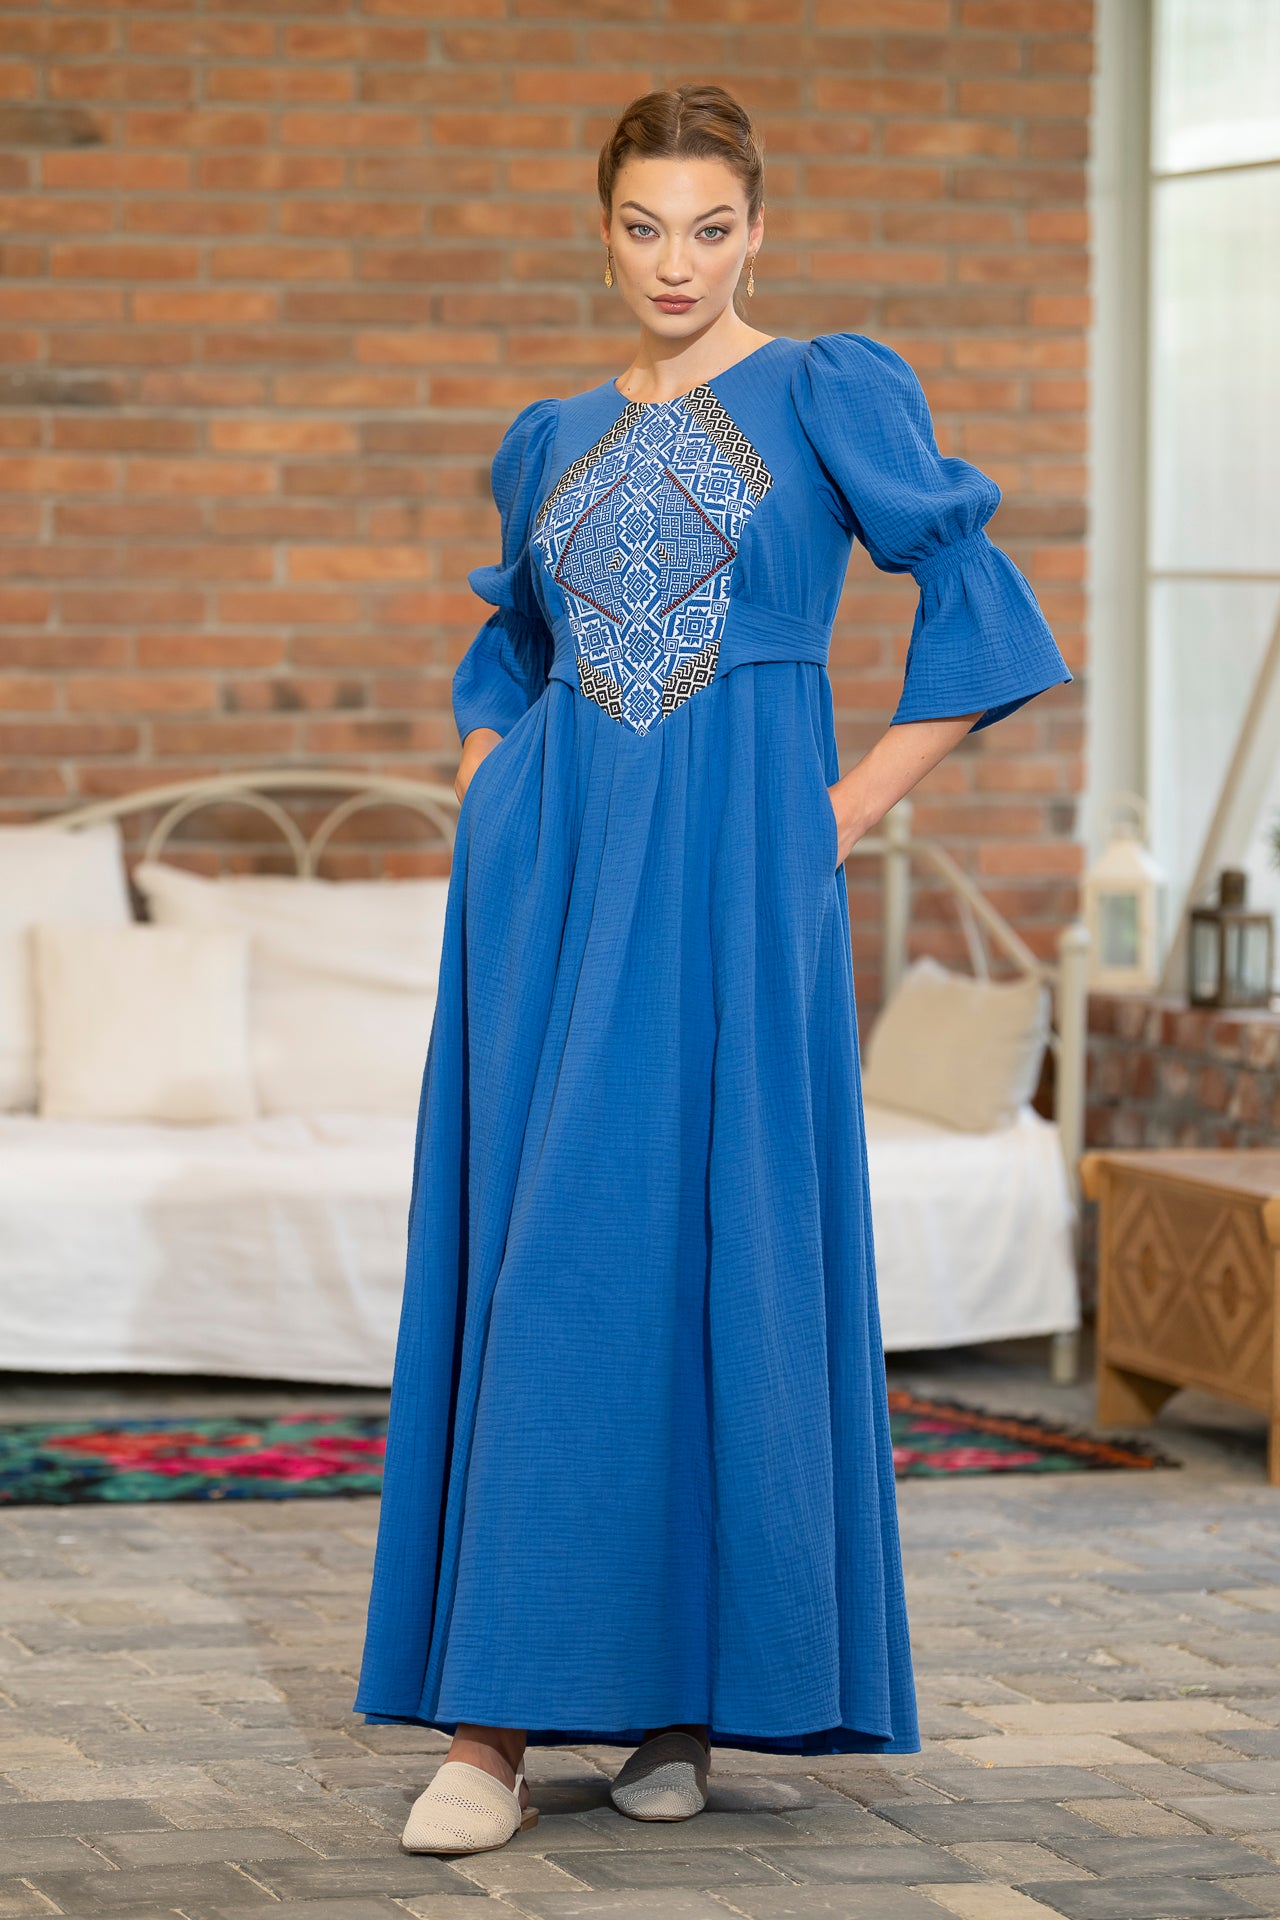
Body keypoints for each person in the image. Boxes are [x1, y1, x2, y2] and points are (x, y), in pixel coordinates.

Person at [354, 83, 1071, 1856]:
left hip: (745, 883)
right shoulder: (547, 436)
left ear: (759, 229)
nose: (677, 262)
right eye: (643, 227)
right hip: (552, 890)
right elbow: (511, 654)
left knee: (711, 1251)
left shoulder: (828, 390)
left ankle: (679, 1705)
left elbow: (981, 611)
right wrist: (493, 789)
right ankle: (490, 1732)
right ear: (602, 230)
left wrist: (842, 810)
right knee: (550, 1254)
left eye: (711, 226)